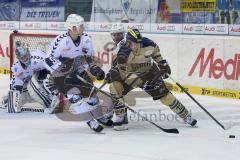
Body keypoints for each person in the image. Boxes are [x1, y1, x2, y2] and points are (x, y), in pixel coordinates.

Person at [106, 28, 197, 131]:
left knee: (165, 96)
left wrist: (162, 63)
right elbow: (123, 72)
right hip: (130, 74)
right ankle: (121, 117)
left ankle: (186, 115)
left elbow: (156, 53)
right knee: (114, 86)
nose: (138, 46)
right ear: (128, 42)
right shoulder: (123, 51)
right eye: (135, 43)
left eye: (139, 42)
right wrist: (114, 72)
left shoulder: (148, 43)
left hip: (149, 73)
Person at [44, 14, 113, 133]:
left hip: (79, 71)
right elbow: (48, 59)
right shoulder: (61, 41)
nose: (83, 28)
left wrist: (95, 70)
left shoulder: (86, 38)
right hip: (62, 76)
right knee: (76, 98)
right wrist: (63, 71)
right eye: (81, 26)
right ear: (73, 27)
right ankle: (90, 121)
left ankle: (100, 117)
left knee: (92, 96)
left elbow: (88, 59)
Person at [1, 41, 58, 113]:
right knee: (17, 97)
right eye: (22, 58)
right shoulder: (16, 68)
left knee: (32, 85)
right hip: (32, 82)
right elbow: (16, 85)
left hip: (45, 78)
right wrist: (12, 97)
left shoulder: (37, 59)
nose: (25, 59)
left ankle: (51, 101)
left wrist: (56, 87)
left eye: (25, 56)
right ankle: (9, 99)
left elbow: (53, 66)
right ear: (19, 58)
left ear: (28, 53)